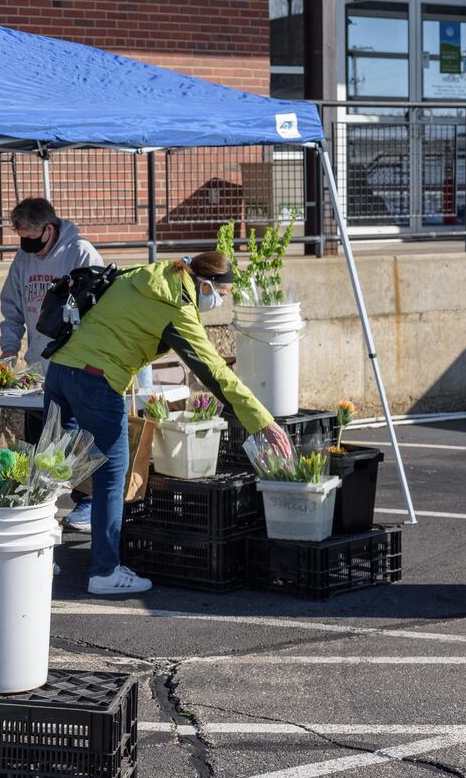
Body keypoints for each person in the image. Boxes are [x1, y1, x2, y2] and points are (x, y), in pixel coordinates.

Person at [45, 251, 294, 596]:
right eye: (220, 295)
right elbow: (215, 372)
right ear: (205, 284)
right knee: (111, 476)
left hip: (60, 370)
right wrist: (262, 421)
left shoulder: (147, 274)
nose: (218, 302)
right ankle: (105, 572)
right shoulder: (176, 307)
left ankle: (36, 556)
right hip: (97, 381)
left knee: (50, 467)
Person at [0, 197, 102, 458]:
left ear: (50, 229)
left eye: (33, 240)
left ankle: (77, 499)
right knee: (35, 453)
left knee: (68, 453)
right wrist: (9, 350)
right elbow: (12, 308)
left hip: (74, 370)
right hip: (38, 371)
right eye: (23, 240)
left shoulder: (80, 253)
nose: (29, 248)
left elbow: (98, 311)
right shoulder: (23, 258)